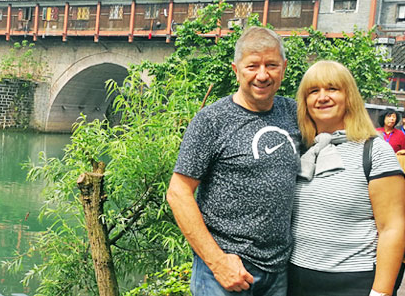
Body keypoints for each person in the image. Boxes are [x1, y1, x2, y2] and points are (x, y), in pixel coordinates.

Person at [167, 26, 300, 295]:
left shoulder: (294, 113)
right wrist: (217, 262)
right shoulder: (211, 121)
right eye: (252, 66)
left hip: (279, 271)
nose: (262, 75)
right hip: (225, 272)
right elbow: (178, 193)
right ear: (236, 69)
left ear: (283, 68)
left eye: (271, 65)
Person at [289, 60, 405, 296]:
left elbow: (392, 227)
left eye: (332, 89)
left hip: (352, 283)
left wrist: (381, 292)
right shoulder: (298, 149)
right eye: (313, 91)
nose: (322, 97)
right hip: (292, 279)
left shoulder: (374, 151)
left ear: (349, 96)